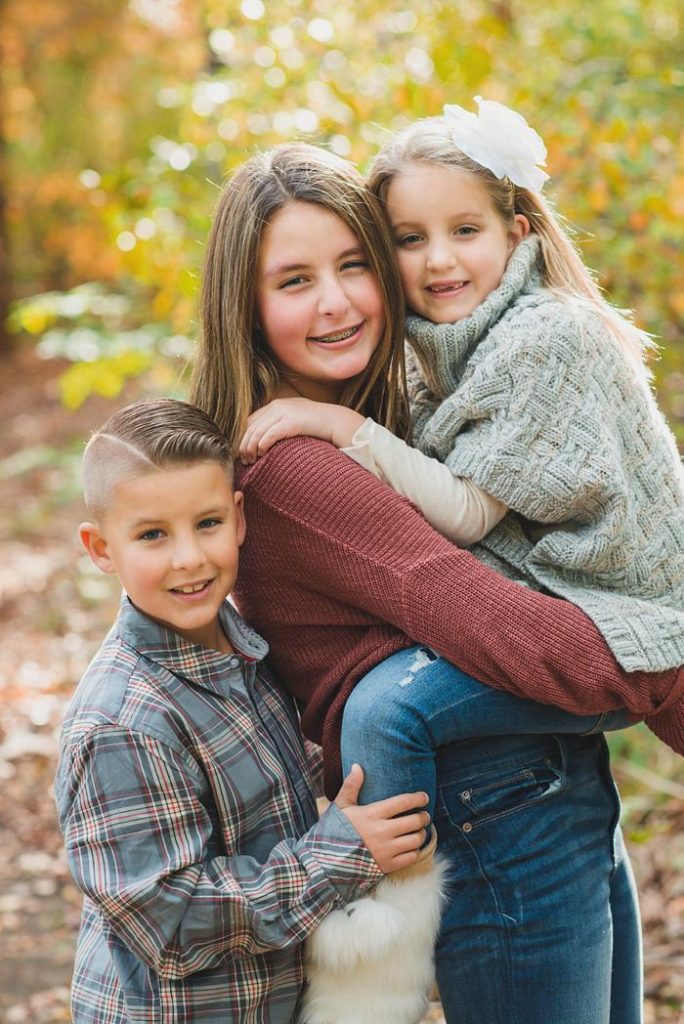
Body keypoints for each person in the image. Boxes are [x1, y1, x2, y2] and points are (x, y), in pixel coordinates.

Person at [191, 142, 684, 1024]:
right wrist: (668, 679)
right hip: (492, 817)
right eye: (294, 281)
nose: (337, 300)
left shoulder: (404, 403)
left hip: (551, 774)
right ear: (244, 304)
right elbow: (492, 620)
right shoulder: (295, 467)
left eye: (353, 265)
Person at [54, 397, 431, 1024]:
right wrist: (339, 854)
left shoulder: (243, 647)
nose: (189, 559)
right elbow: (171, 920)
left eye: (207, 524)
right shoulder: (121, 724)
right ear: (101, 548)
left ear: (238, 517)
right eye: (152, 535)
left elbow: (265, 784)